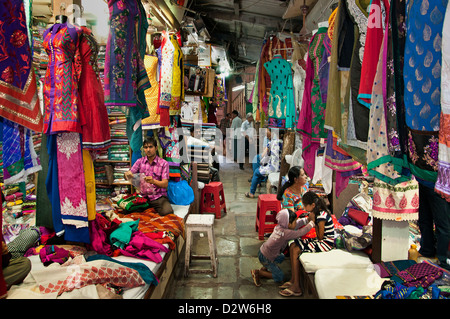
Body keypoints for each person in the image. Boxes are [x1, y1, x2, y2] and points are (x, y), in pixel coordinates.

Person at [279, 191, 335, 297]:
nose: (304, 208)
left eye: (305, 206)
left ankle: (296, 286)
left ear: (312, 205)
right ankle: (293, 280)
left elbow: (320, 236)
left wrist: (313, 222)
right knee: (293, 245)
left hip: (325, 243)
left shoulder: (322, 215)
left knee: (296, 250)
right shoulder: (317, 212)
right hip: (319, 241)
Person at [250, 209, 315, 288]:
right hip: (266, 257)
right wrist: (311, 223)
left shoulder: (280, 227)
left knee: (281, 257)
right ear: (288, 224)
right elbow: (300, 232)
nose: (296, 222)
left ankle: (266, 268)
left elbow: (296, 225)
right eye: (294, 221)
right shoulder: (286, 233)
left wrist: (307, 220)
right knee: (280, 277)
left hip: (263, 252)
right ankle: (258, 273)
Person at [124, 136, 173, 216]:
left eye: (151, 147)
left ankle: (148, 209)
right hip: (143, 196)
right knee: (127, 210)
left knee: (168, 212)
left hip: (158, 197)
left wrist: (153, 181)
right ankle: (148, 209)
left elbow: (165, 184)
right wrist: (126, 174)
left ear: (156, 148)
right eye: (146, 147)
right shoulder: (140, 161)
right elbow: (129, 174)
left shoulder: (163, 163)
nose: (148, 150)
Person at [245, 129, 283, 198]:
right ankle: (258, 182)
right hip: (281, 168)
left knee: (257, 172)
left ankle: (251, 193)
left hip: (273, 168)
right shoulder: (284, 143)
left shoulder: (272, 143)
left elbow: (266, 156)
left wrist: (263, 163)